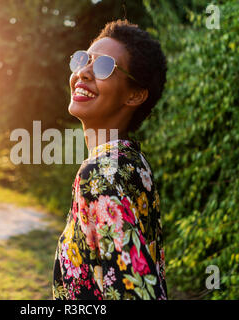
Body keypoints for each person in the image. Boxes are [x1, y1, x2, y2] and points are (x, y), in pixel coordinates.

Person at [52, 19, 168, 300]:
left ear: (135, 94)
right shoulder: (133, 162)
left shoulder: (100, 173)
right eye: (84, 60)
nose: (83, 72)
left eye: (103, 66)